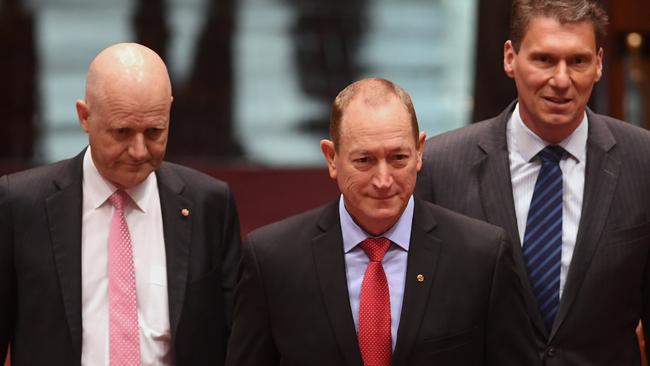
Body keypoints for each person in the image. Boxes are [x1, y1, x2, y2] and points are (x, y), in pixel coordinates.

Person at [225, 77, 537, 365]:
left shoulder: (481, 256)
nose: (384, 180)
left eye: (398, 158)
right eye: (364, 160)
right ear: (331, 158)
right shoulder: (273, 260)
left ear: (419, 152)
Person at [415, 0, 650, 364]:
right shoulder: (440, 167)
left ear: (599, 63)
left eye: (578, 61)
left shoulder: (643, 161)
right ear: (511, 58)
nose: (561, 79)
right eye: (544, 59)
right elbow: (424, 320)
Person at [0, 43, 241, 365]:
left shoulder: (208, 205)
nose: (139, 151)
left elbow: (237, 340)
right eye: (122, 132)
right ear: (85, 116)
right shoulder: (22, 204)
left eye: (154, 131)